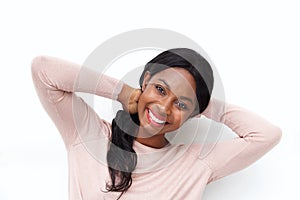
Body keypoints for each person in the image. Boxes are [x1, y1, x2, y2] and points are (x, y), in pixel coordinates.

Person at [31, 48, 282, 200]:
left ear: (194, 114)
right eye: (160, 89)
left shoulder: (195, 163)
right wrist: (121, 92)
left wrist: (201, 103)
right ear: (146, 80)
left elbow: (266, 135)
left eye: (180, 104)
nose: (164, 107)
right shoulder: (89, 136)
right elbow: (43, 70)